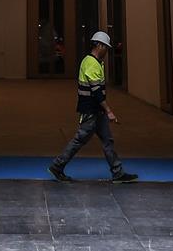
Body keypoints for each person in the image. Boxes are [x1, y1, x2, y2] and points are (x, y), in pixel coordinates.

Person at [49, 31, 138, 183]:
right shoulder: (91, 64)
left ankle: (118, 172)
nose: (107, 51)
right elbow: (97, 93)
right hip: (91, 111)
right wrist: (109, 111)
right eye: (106, 47)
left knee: (107, 140)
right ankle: (57, 166)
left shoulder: (95, 63)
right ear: (99, 45)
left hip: (97, 111)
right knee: (79, 140)